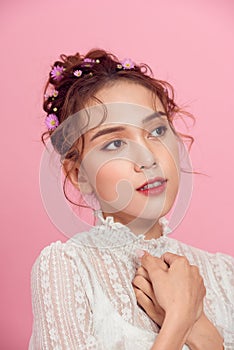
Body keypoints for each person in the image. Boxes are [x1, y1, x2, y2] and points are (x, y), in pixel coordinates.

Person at [29, 49, 233, 350]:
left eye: (157, 130)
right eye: (115, 143)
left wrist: (205, 334)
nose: (148, 157)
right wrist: (179, 320)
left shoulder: (225, 274)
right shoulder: (66, 267)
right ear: (78, 174)